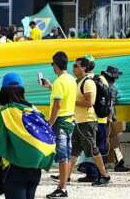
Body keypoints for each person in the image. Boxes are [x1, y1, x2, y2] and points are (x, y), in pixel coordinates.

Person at [0, 72, 55, 199]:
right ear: (22, 90)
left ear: (3, 91)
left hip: (16, 168)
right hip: (36, 168)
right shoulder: (32, 109)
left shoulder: (5, 112)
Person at [68, 57, 111, 186]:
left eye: (76, 66)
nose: (73, 68)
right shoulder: (77, 82)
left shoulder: (88, 83)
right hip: (79, 121)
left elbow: (89, 102)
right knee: (75, 149)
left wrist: (72, 101)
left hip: (87, 121)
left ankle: (104, 175)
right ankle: (66, 176)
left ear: (84, 68)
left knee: (93, 149)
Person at [42, 52, 77, 198]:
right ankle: (62, 186)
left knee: (63, 157)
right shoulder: (71, 79)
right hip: (70, 120)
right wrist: (50, 86)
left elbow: (57, 106)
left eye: (52, 64)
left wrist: (50, 123)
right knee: (67, 156)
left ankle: (62, 189)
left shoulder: (59, 82)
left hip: (60, 122)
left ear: (56, 65)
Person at [101, 66, 130, 172]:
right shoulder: (112, 88)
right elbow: (111, 103)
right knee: (114, 142)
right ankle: (119, 163)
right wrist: (110, 117)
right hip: (109, 118)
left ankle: (108, 163)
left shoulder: (102, 85)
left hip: (102, 118)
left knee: (106, 142)